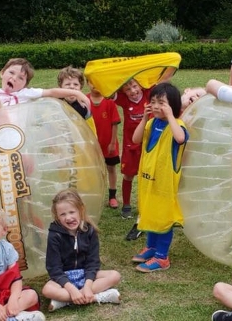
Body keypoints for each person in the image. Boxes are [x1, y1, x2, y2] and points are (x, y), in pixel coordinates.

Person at [130, 82, 188, 273]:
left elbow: (180, 139)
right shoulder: (151, 123)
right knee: (149, 212)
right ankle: (151, 247)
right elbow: (135, 140)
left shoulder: (176, 125)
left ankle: (162, 257)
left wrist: (171, 115)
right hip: (148, 180)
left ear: (172, 105)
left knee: (163, 218)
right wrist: (144, 118)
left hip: (165, 183)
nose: (155, 106)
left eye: (161, 102)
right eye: (153, 101)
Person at [42, 189, 122, 312]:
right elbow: (54, 268)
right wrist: (71, 289)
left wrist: (88, 286)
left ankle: (66, 301)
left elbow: (93, 262)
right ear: (57, 216)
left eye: (72, 212)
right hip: (65, 278)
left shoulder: (89, 231)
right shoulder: (54, 235)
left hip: (85, 274)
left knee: (114, 275)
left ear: (81, 210)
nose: (68, 218)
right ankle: (96, 297)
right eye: (62, 214)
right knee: (47, 290)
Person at [110, 76, 170, 240]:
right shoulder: (123, 99)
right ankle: (127, 205)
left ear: (140, 86)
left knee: (152, 177)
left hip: (149, 145)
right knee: (128, 175)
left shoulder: (148, 93)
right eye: (128, 89)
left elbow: (164, 79)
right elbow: (108, 92)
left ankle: (153, 206)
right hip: (131, 146)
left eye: (135, 87)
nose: (133, 91)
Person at [85, 77, 122, 209]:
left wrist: (112, 143)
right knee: (94, 171)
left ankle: (112, 196)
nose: (95, 85)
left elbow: (114, 124)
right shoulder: (84, 100)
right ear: (87, 83)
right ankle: (96, 195)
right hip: (91, 145)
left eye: (98, 81)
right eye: (92, 82)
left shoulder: (109, 102)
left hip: (108, 145)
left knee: (111, 169)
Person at [56, 66, 98, 136]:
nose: (72, 86)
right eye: (67, 84)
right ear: (61, 87)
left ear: (80, 87)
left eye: (75, 84)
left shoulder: (84, 107)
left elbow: (91, 131)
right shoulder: (56, 104)